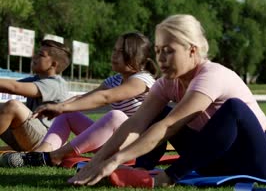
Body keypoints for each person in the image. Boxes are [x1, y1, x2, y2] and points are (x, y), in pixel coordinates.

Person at [68, 14, 266, 188]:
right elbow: (135, 122)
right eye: (158, 51)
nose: (161, 59)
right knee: (156, 113)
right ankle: (141, 172)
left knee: (234, 108)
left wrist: (115, 160)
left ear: (192, 50)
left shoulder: (212, 75)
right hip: (211, 162)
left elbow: (170, 126)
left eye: (169, 51)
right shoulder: (167, 83)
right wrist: (98, 161)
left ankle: (167, 178)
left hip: (258, 162)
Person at [2, 32, 157, 167]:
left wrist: (61, 107)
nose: (114, 55)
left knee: (116, 116)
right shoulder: (115, 79)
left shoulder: (143, 79)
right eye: (114, 50)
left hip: (138, 147)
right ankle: (39, 155)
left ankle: (55, 156)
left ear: (136, 57)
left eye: (121, 51)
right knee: (68, 114)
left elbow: (105, 97)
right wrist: (61, 107)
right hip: (116, 142)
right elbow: (83, 98)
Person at [0, 39, 70, 154]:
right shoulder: (36, 79)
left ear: (53, 64)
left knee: (13, 106)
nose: (34, 57)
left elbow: (14, 87)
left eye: (41, 55)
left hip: (46, 140)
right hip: (29, 136)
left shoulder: (55, 84)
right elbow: (7, 86)